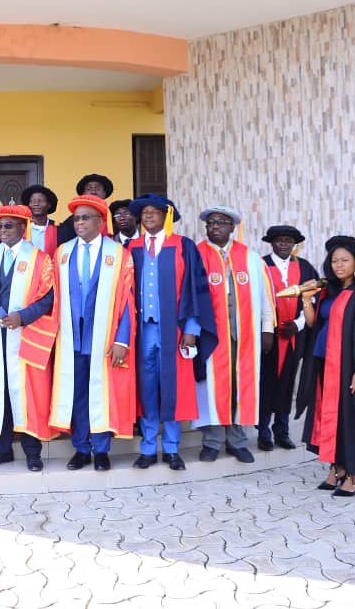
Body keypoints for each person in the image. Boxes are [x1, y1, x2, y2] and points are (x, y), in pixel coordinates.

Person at [127, 195, 218, 472]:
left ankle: (171, 448)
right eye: (144, 213)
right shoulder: (131, 248)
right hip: (141, 332)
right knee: (146, 388)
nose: (148, 216)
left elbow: (195, 290)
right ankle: (147, 448)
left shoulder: (183, 246)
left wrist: (190, 330)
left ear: (167, 216)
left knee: (173, 388)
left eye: (155, 212)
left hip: (174, 331)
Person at [49, 195, 136, 472]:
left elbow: (127, 300)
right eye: (76, 218)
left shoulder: (118, 254)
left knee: (101, 391)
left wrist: (122, 339)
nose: (80, 222)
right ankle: (81, 448)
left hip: (104, 335)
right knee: (77, 392)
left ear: (100, 221)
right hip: (71, 335)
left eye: (86, 217)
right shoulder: (62, 253)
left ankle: (101, 449)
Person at [296, 236, 355, 497]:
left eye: (344, 260)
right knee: (333, 417)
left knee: (354, 418)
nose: (338, 265)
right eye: (335, 260)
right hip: (326, 363)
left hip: (349, 366)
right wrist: (306, 299)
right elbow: (314, 324)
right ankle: (338, 467)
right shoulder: (331, 290)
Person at [0, 204, 58, 471]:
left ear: (23, 228)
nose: (2, 231)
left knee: (27, 394)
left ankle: (32, 452)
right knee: (1, 393)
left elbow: (48, 298)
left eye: (8, 226)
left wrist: (23, 316)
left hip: (26, 336)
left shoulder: (39, 259)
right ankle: (2, 450)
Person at [194, 206, 275, 464]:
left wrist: (267, 329)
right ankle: (212, 442)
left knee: (243, 385)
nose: (214, 226)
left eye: (221, 222)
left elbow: (266, 297)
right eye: (210, 223)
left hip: (244, 334)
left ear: (232, 228)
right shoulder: (196, 254)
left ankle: (237, 442)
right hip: (210, 335)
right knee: (212, 386)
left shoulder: (250, 257)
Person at [257, 225, 319, 451]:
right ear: (271, 242)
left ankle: (281, 430)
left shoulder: (304, 267)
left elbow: (312, 300)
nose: (283, 244)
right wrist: (266, 329)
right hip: (267, 336)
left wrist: (299, 324)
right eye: (279, 240)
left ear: (295, 244)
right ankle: (263, 430)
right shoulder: (260, 265)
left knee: (287, 382)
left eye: (288, 240)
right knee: (265, 383)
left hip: (294, 335)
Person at [57, 174, 113, 244]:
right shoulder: (73, 221)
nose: (93, 192)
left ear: (105, 193)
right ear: (83, 194)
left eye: (97, 189)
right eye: (89, 189)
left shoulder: (113, 218)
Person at [19, 184, 59, 259]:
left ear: (49, 205)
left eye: (40, 201)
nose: (36, 204)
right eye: (32, 201)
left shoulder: (59, 230)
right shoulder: (21, 228)